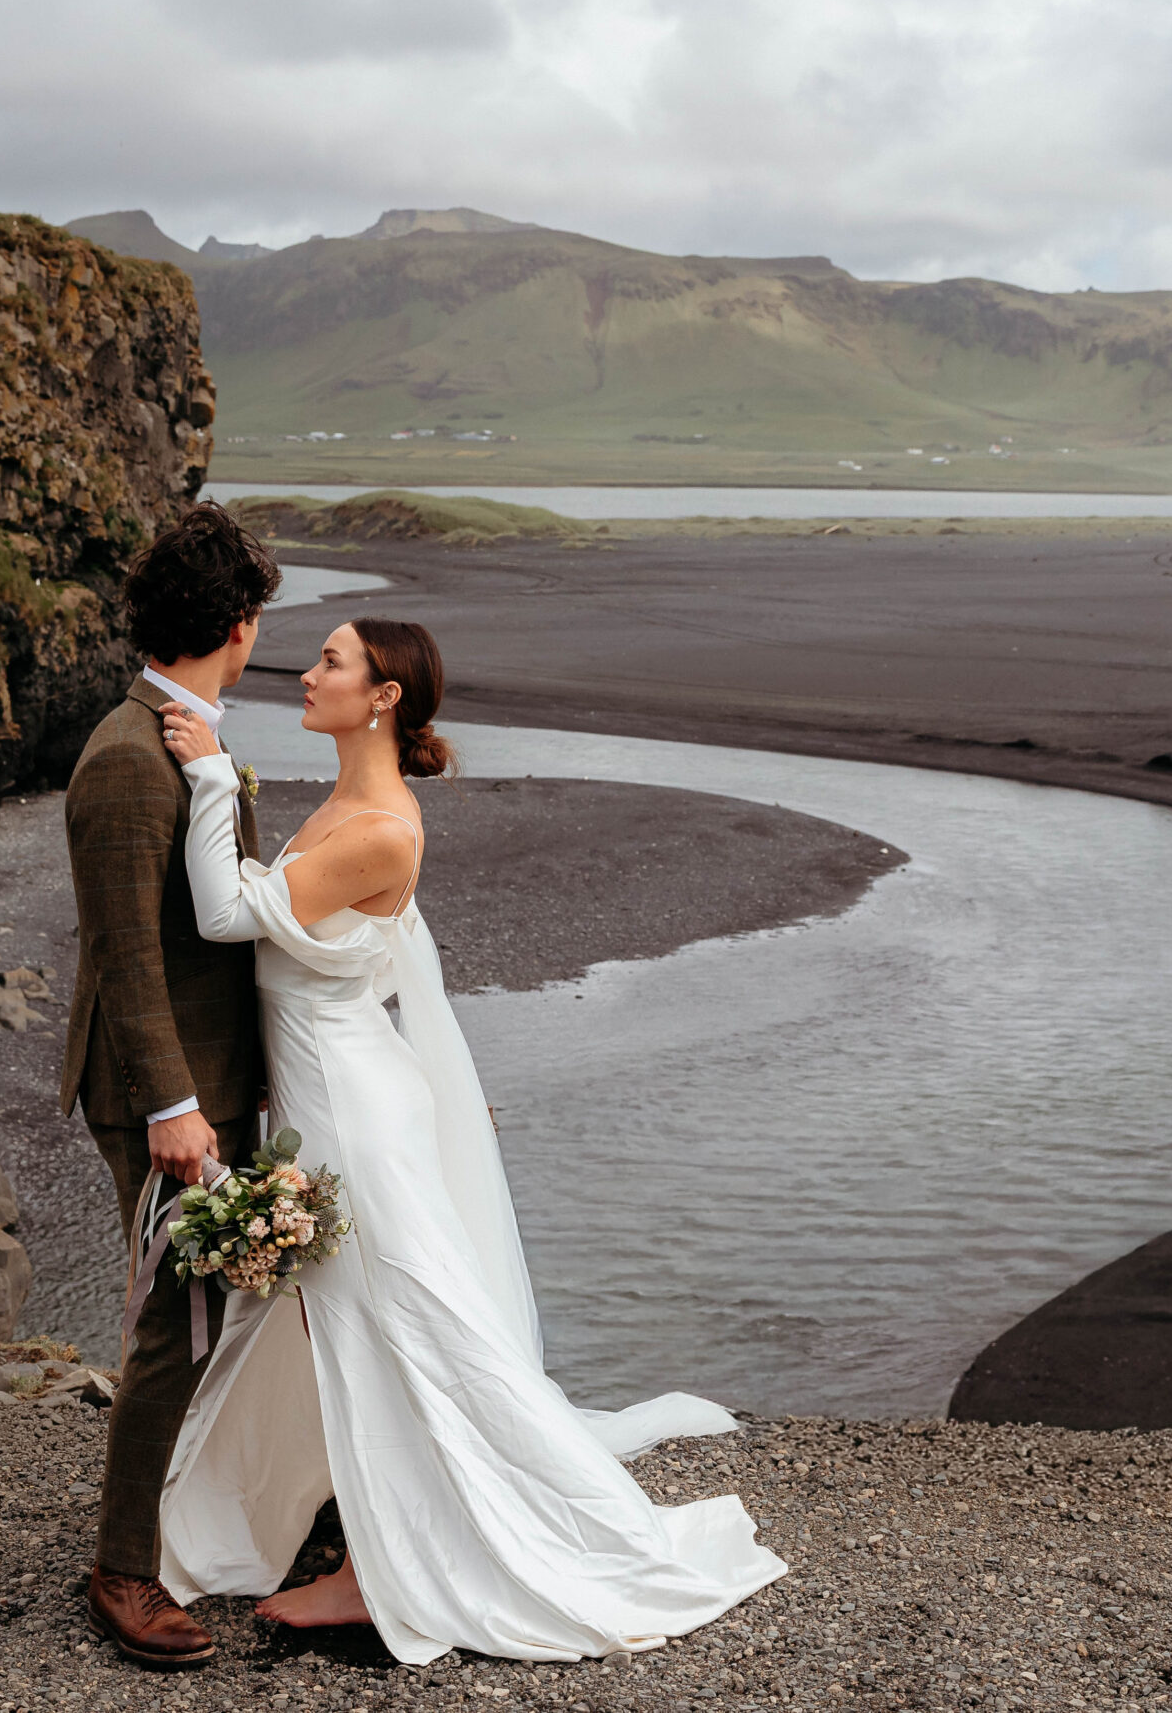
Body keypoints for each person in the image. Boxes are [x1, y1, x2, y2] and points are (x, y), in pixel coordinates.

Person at [149, 616, 788, 1665]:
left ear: (384, 695)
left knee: (393, 1322)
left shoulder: (384, 828)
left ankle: (385, 1569)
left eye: (331, 661)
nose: (306, 674)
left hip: (351, 1110)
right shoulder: (348, 804)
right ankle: (345, 1520)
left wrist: (214, 777)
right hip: (332, 1091)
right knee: (346, 1318)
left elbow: (226, 915)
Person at [60, 504, 279, 1669]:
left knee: (206, 1317)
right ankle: (123, 1570)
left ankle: (190, 1520)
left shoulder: (178, 736)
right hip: (166, 1093)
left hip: (207, 1079)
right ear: (237, 625)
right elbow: (125, 956)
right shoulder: (125, 756)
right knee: (172, 1325)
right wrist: (172, 1109)